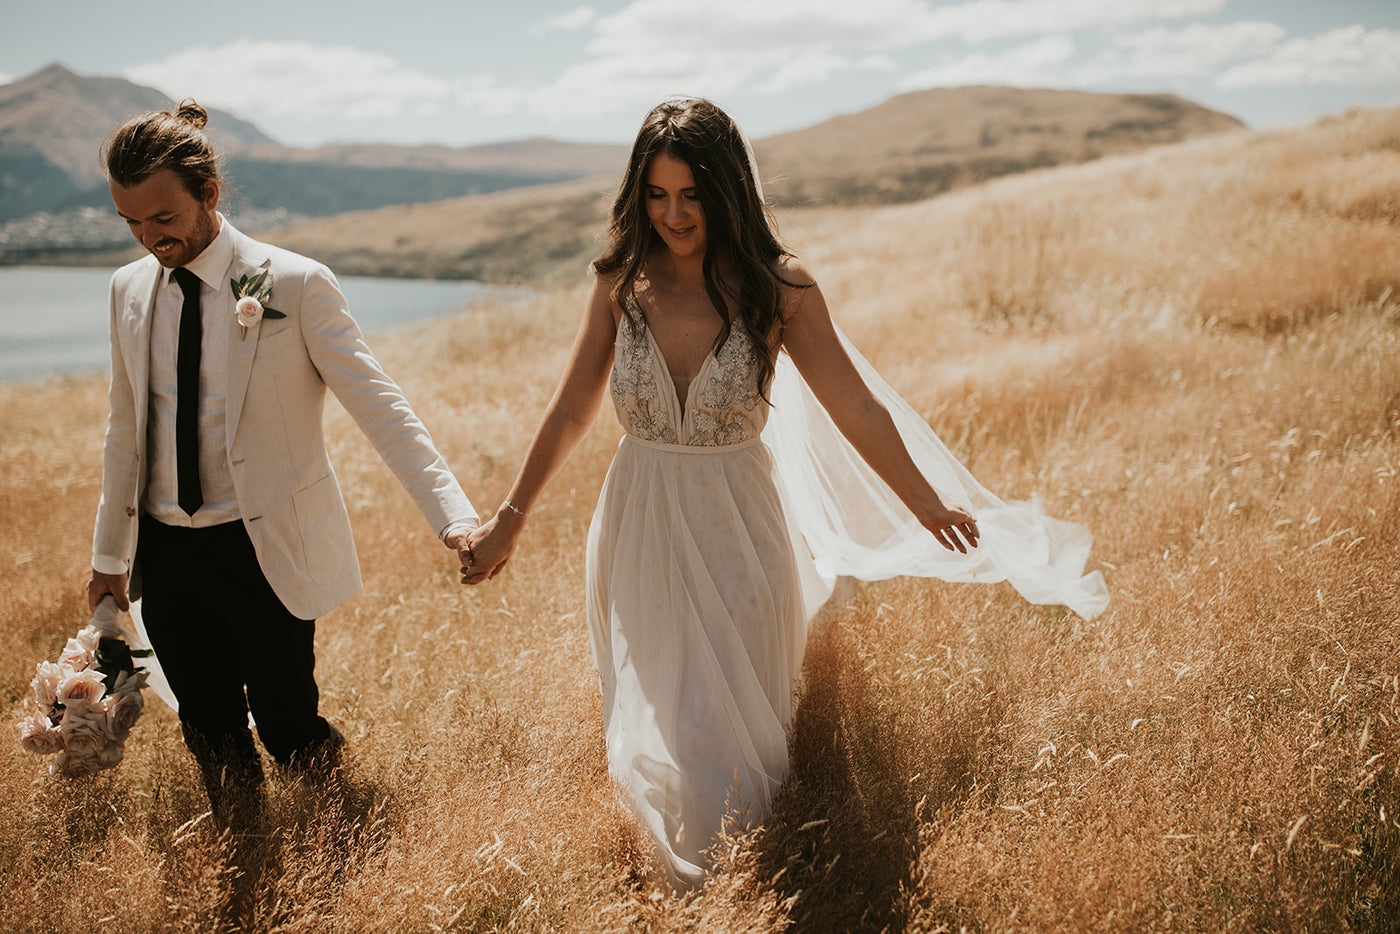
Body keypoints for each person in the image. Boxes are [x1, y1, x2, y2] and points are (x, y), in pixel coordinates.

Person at [462, 98, 1108, 887]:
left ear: (727, 189)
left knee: (732, 723)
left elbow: (856, 406)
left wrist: (925, 501)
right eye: (657, 195)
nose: (673, 214)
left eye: (692, 194)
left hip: (741, 524)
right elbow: (571, 409)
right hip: (639, 523)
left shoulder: (780, 290)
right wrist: (510, 520)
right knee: (659, 708)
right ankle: (670, 885)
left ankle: (745, 881)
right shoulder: (618, 286)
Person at [86, 100, 479, 830]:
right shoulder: (127, 291)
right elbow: (124, 428)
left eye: (162, 218)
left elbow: (381, 407)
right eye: (130, 222)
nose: (149, 238)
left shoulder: (292, 284)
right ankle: (247, 848)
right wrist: (110, 555)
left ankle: (349, 825)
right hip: (165, 550)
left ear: (209, 193)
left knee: (286, 723)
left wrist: (454, 518)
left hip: (262, 546)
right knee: (205, 725)